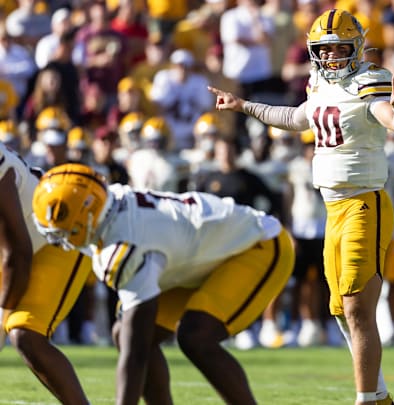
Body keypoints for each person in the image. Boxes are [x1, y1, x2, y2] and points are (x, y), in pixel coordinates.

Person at [208, 9, 394, 405]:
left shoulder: (369, 80)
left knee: (357, 306)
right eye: (326, 49)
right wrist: (242, 105)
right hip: (332, 208)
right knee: (340, 309)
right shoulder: (319, 84)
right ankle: (381, 397)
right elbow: (294, 117)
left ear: (356, 47)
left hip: (363, 204)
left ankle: (365, 399)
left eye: (341, 48)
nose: (333, 56)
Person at [31, 163, 295, 405]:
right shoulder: (111, 201)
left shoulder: (126, 244)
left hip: (255, 245)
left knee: (195, 337)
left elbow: (135, 356)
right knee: (124, 333)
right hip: (197, 254)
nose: (58, 236)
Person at [0, 142, 93, 404]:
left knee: (24, 333)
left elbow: (18, 252)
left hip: (58, 237)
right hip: (17, 248)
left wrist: (2, 316)